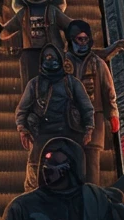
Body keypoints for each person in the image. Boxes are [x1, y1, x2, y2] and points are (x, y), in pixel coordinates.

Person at [16, 44, 95, 191]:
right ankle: (31, 197)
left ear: (60, 60)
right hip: (42, 133)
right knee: (34, 167)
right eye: (47, 57)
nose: (50, 61)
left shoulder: (72, 83)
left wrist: (89, 129)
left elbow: (86, 107)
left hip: (69, 131)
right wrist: (22, 129)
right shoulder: (35, 84)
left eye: (53, 57)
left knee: (74, 169)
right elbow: (22, 109)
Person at [0, 0, 72, 86]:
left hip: (49, 52)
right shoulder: (26, 14)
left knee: (53, 84)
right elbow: (6, 30)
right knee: (31, 86)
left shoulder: (49, 12)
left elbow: (70, 26)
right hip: (34, 54)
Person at [63, 20, 119, 183]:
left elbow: (109, 91)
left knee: (92, 166)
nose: (82, 43)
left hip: (95, 119)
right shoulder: (62, 63)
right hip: (68, 120)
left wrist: (113, 114)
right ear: (71, 40)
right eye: (79, 39)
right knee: (70, 163)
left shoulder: (98, 63)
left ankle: (92, 199)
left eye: (85, 39)